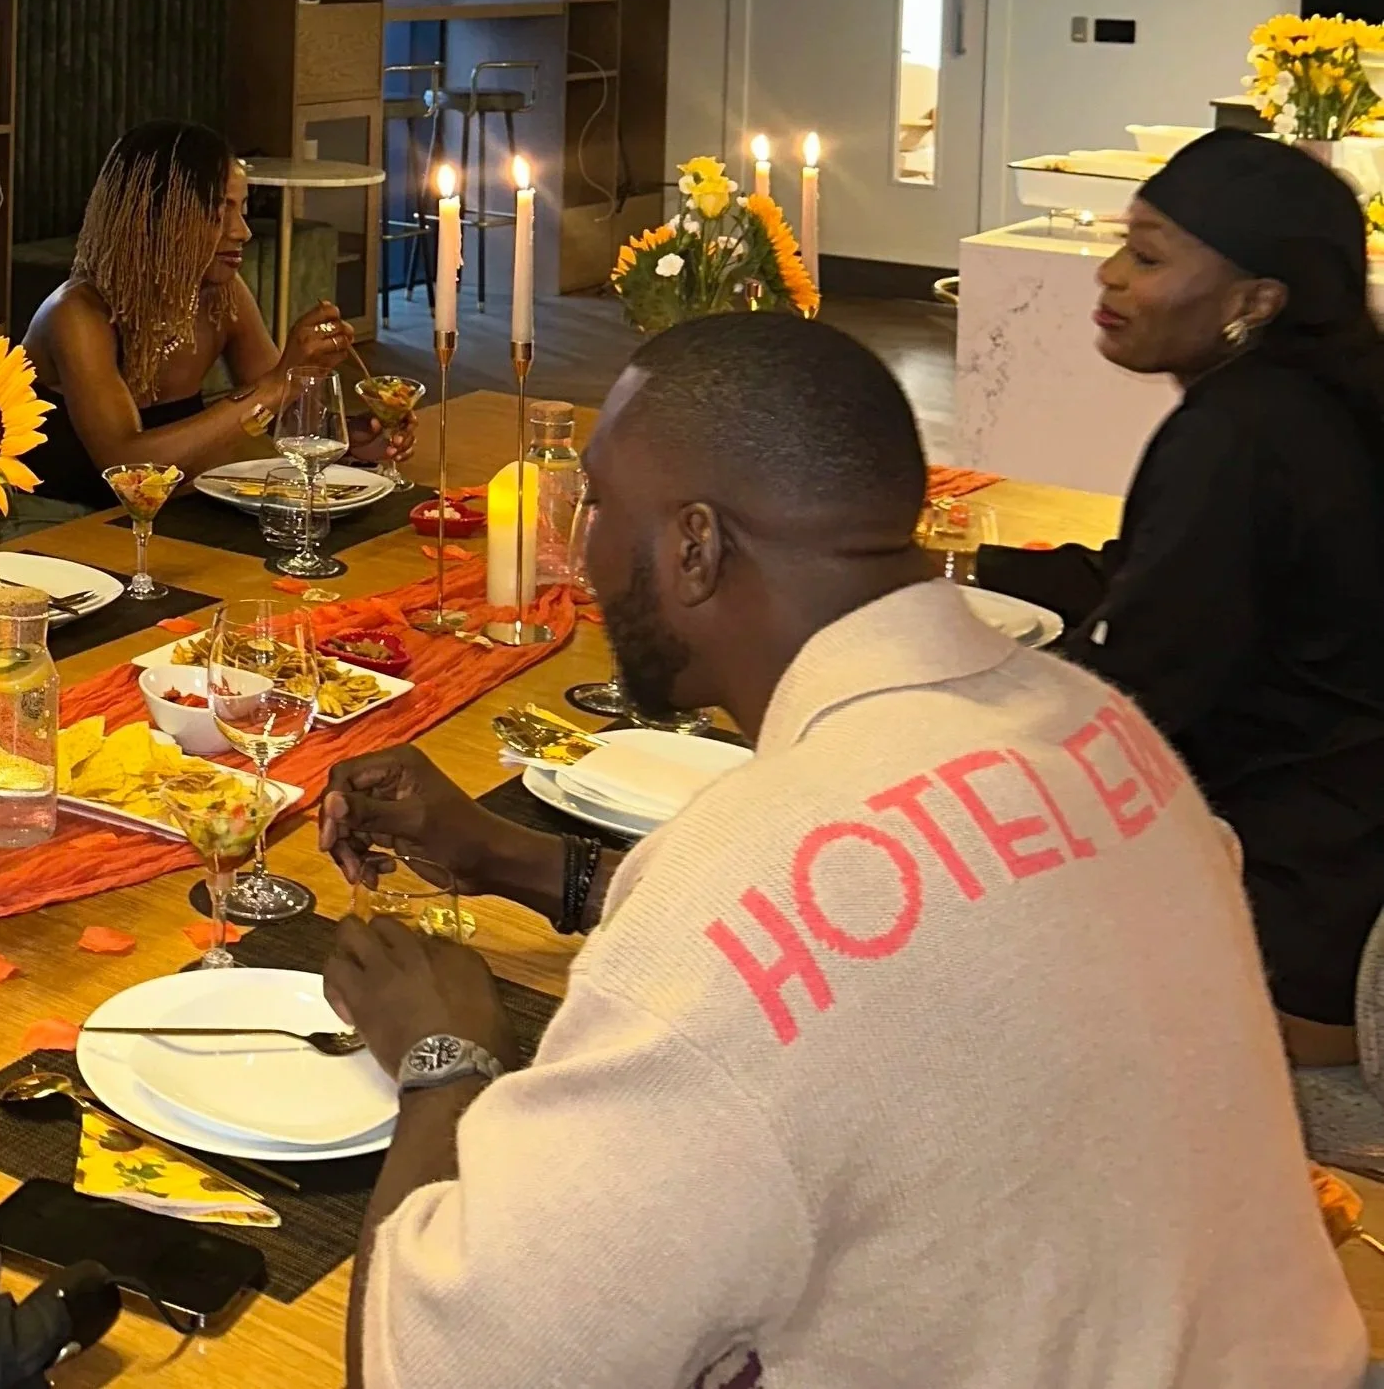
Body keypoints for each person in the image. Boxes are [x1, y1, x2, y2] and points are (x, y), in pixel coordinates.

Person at [318, 312, 1363, 1389]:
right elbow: (876, 934)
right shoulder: (1096, 727)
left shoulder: (743, 872)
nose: (579, 552)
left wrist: (443, 1061)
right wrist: (506, 861)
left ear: (693, 546)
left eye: (596, 506)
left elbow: (438, 1370)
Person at [978, 127, 1384, 1059]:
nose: (1108, 276)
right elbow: (1137, 577)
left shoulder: (1238, 436)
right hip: (1347, 873)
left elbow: (1127, 699)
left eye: (1147, 255)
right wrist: (941, 570)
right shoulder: (1318, 401)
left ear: (1256, 300)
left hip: (1288, 922)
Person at [23, 123, 388, 508]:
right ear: (154, 218)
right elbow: (125, 466)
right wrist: (274, 385)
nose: (243, 231)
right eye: (217, 214)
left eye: (242, 210)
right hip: (69, 527)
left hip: (177, 515)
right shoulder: (76, 315)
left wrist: (349, 441)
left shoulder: (219, 295)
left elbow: (284, 418)